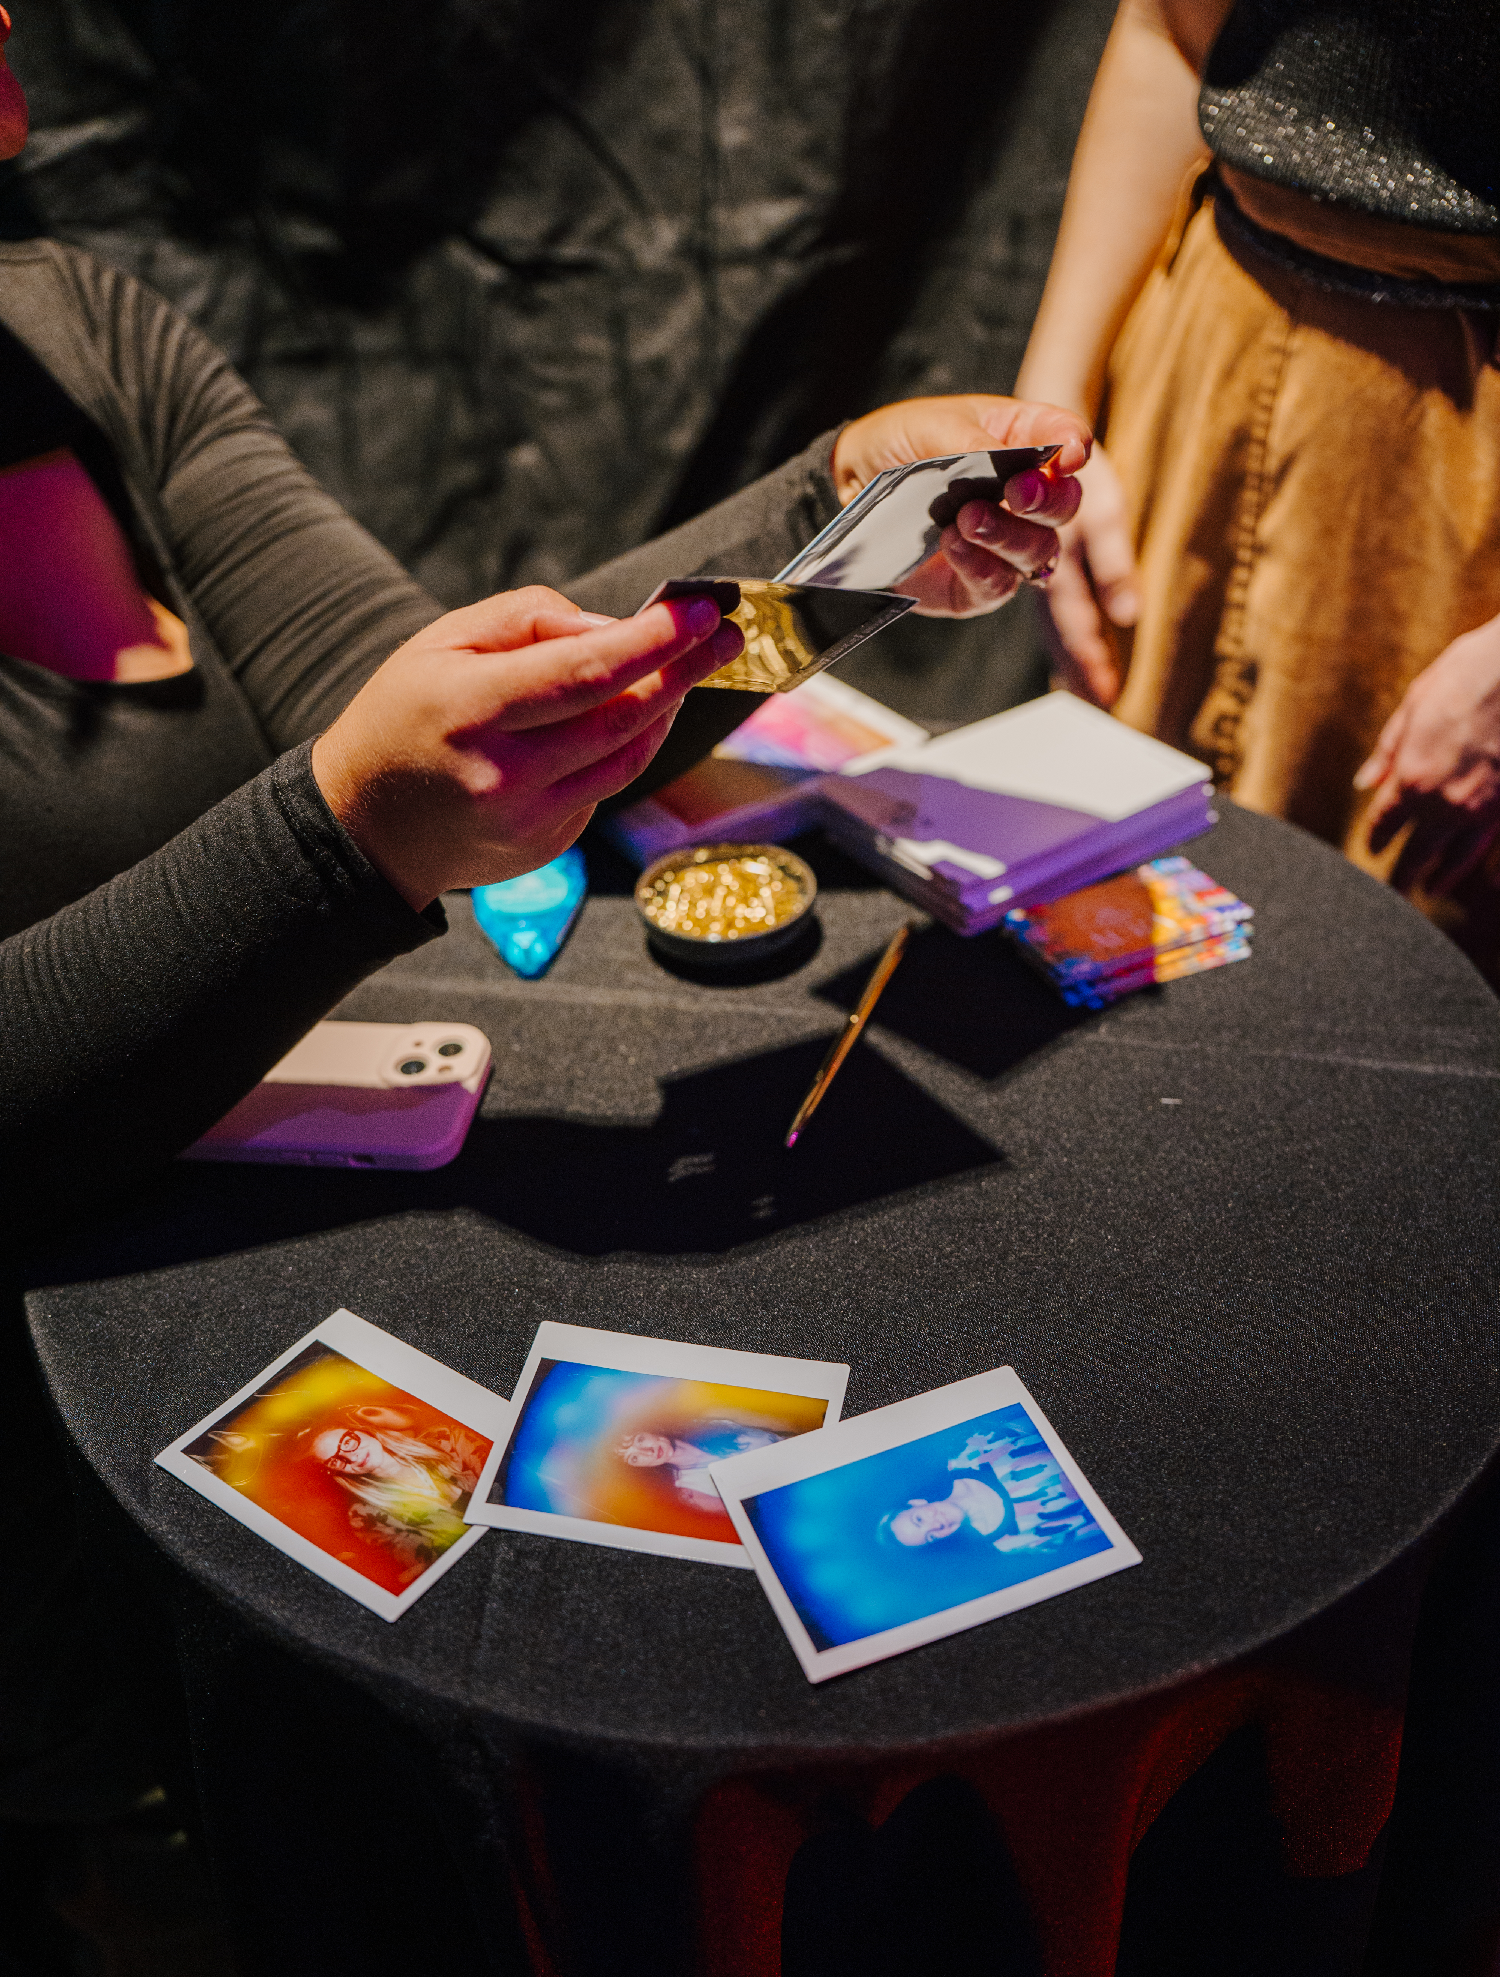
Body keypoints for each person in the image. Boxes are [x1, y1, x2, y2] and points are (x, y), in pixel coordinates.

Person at [0, 0, 1092, 1846]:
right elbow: (362, 782)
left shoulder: (74, 327)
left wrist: (827, 528)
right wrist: (348, 830)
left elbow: (413, 692)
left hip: (251, 1302)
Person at [1014, 0, 1500, 982]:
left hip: (1461, 452)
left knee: (1396, 977)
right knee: (1113, 919)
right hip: (1212, 353)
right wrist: (1051, 404)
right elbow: (1170, 28)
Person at [304, 1413, 485, 1571]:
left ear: (362, 1429)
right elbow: (435, 1562)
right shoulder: (366, 1517)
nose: (352, 1457)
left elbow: (498, 1483)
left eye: (347, 1442)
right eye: (335, 1461)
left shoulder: (447, 1440)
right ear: (336, 1472)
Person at [879, 1426, 1098, 1554]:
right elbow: (1097, 1527)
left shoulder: (970, 1453)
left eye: (919, 1519)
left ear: (917, 1503)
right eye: (931, 1537)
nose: (937, 1526)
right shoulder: (1009, 1542)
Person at [615, 1421, 783, 1511]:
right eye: (634, 1458)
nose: (648, 1451)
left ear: (649, 1429)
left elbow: (779, 1430)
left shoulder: (712, 1423)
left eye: (640, 1440)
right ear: (639, 1469)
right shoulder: (692, 1493)